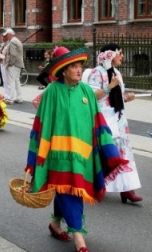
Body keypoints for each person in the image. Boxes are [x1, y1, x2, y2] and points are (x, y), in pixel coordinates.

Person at [25, 46, 130, 252]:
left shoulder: (86, 92)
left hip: (83, 155)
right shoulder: (52, 91)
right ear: (64, 70)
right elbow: (41, 125)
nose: (79, 70)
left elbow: (98, 122)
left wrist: (109, 149)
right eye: (74, 67)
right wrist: (38, 156)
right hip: (59, 155)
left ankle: (55, 223)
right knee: (69, 190)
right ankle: (78, 237)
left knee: (67, 189)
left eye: (80, 66)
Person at [87, 43, 143, 203]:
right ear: (111, 55)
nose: (123, 56)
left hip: (118, 119)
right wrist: (109, 86)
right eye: (121, 53)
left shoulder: (117, 72)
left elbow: (117, 96)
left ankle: (127, 189)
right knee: (105, 154)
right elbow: (93, 96)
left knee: (124, 153)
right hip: (103, 120)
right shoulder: (96, 73)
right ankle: (97, 185)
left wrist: (126, 98)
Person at [2, 28, 24, 105]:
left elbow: (13, 55)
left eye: (7, 35)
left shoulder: (12, 42)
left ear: (9, 34)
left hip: (13, 65)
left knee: (11, 81)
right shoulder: (17, 40)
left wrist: (9, 64)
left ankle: (10, 99)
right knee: (17, 81)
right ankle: (19, 98)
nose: (6, 37)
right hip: (19, 64)